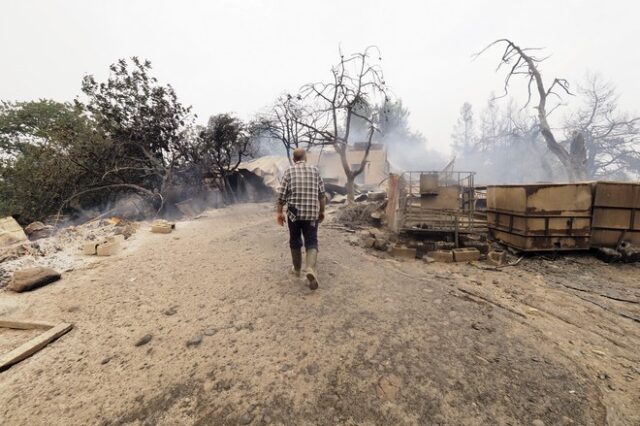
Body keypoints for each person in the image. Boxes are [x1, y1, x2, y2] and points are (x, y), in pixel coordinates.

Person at [276, 148, 326, 290]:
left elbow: (281, 196)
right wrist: (322, 211)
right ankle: (310, 269)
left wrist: (279, 214)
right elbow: (322, 195)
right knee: (311, 241)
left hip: (294, 215)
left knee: (295, 240)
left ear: (294, 159)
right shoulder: (315, 171)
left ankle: (297, 269)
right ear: (306, 157)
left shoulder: (289, 172)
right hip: (311, 214)